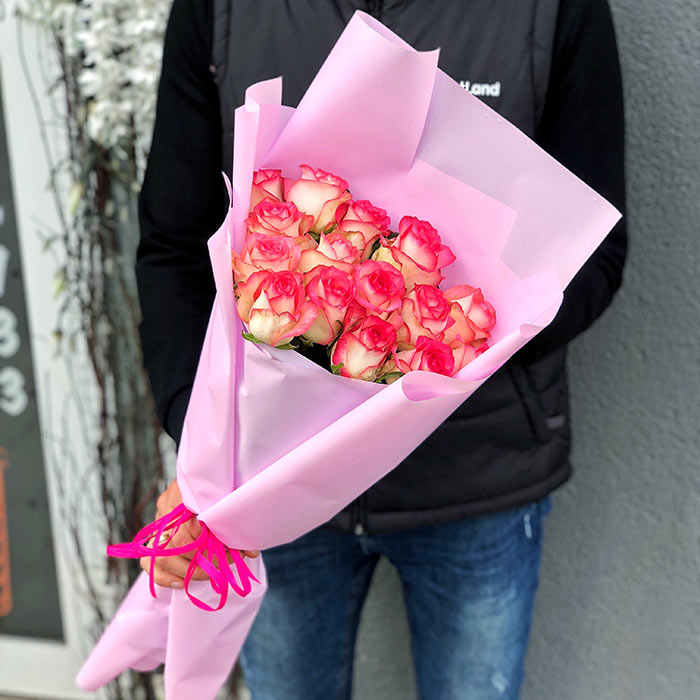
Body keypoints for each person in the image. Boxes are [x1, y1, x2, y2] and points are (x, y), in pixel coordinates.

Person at [135, 1, 626, 698]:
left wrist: (440, 342)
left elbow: (596, 257)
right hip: (272, 487)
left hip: (476, 479)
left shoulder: (552, 9)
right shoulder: (224, 10)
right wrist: (204, 444)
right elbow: (175, 246)